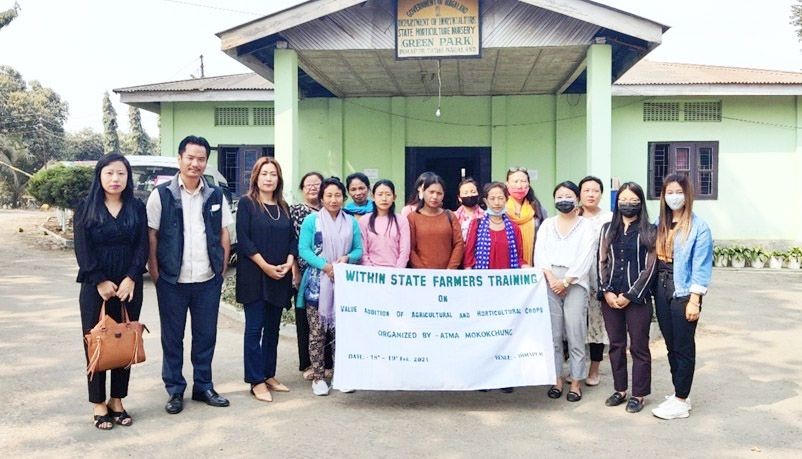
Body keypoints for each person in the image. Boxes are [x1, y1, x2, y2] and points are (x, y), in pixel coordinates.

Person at [146, 135, 234, 414]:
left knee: (205, 335)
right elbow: (152, 235)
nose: (196, 164)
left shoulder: (215, 194)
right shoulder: (162, 194)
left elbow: (223, 232)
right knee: (172, 337)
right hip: (172, 280)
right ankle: (174, 390)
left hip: (207, 279)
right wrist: (155, 271)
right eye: (191, 158)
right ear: (179, 159)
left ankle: (203, 386)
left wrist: (220, 268)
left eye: (201, 159)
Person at [74, 153, 148, 430]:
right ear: (100, 176)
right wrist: (100, 281)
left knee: (124, 341)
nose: (115, 179)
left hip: (129, 287)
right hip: (96, 288)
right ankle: (97, 403)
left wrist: (132, 277)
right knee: (96, 343)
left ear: (128, 178)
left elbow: (142, 246)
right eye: (109, 173)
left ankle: (117, 400)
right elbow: (82, 248)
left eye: (121, 173)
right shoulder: (86, 207)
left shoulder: (136, 207)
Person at [651, 173, 713, 420]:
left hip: (684, 291)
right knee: (670, 344)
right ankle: (681, 394)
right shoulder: (660, 223)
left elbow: (701, 266)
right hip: (661, 287)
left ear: (687, 195)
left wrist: (695, 300)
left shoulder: (699, 227)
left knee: (684, 346)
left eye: (678, 192)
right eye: (669, 192)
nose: (673, 197)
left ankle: (680, 399)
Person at [236, 157, 297, 403]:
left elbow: (293, 238)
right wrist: (265, 266)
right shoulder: (247, 204)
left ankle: (268, 374)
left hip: (279, 276)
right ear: (256, 178)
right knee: (254, 329)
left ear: (278, 179)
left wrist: (290, 261)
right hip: (255, 276)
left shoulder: (283, 206)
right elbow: (244, 239)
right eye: (264, 174)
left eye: (273, 174)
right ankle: (255, 380)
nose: (269, 178)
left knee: (272, 329)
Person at [297, 177, 363, 396]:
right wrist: (325, 266)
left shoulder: (351, 222)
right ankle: (318, 377)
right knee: (317, 333)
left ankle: (340, 375)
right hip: (317, 284)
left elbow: (358, 250)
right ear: (322, 197)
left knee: (341, 333)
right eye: (329, 195)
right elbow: (303, 250)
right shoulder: (311, 221)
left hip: (343, 283)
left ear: (343, 198)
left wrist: (346, 259)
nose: (333, 200)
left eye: (337, 196)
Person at [598, 182, 656, 414]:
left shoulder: (650, 230)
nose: (628, 204)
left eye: (633, 200)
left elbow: (651, 266)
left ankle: (639, 394)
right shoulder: (606, 229)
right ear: (616, 202)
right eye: (623, 199)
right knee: (616, 345)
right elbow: (601, 262)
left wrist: (632, 294)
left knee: (639, 347)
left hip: (638, 299)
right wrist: (606, 291)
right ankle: (620, 389)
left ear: (640, 203)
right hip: (610, 297)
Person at [534, 181, 596, 402]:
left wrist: (567, 281)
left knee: (575, 332)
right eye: (559, 196)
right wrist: (552, 279)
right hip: (550, 281)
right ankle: (557, 378)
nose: (564, 200)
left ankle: (576, 381)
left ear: (577, 199)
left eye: (568, 195)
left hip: (575, 282)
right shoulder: (547, 225)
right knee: (554, 334)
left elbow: (586, 256)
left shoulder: (586, 226)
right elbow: (539, 253)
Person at [289, 172, 333, 381]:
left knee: (329, 320)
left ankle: (328, 364)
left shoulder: (333, 212)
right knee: (307, 321)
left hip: (331, 274)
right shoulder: (297, 211)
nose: (313, 188)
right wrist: (296, 269)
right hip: (307, 273)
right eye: (308, 185)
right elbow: (294, 242)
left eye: (317, 184)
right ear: (302, 189)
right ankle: (308, 363)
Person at [578, 176, 613, 386]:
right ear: (580, 194)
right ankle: (576, 368)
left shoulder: (610, 218)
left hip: (601, 277)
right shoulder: (572, 216)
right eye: (586, 190)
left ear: (601, 194)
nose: (591, 194)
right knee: (575, 323)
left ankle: (594, 369)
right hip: (576, 278)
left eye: (595, 191)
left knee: (597, 324)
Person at [407, 174, 464, 269]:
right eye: (431, 192)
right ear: (423, 192)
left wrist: (450, 269)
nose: (435, 196)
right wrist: (423, 272)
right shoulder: (412, 218)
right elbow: (410, 249)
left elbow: (459, 244)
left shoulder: (450, 216)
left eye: (439, 193)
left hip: (447, 277)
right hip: (422, 278)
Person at [359, 179, 410, 268]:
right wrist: (371, 271)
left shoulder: (402, 220)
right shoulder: (364, 220)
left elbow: (404, 251)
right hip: (370, 274)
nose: (384, 198)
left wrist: (397, 271)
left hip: (395, 273)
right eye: (380, 194)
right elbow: (363, 251)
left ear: (394, 197)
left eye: (388, 194)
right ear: (373, 197)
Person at [505, 167, 547, 266]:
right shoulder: (500, 208)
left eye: (523, 181)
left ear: (529, 184)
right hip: (506, 263)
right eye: (515, 181)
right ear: (507, 184)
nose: (519, 186)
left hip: (532, 262)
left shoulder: (537, 209)